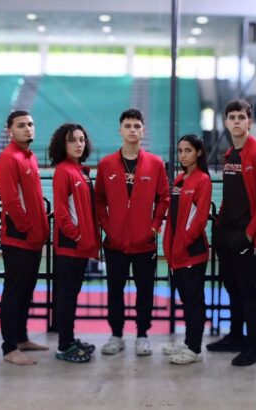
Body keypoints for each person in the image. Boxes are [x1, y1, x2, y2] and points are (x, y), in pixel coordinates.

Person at [207, 99, 256, 367]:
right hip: (227, 232)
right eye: (232, 117)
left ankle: (253, 345)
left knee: (247, 290)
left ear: (250, 121)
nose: (236, 121)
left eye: (241, 117)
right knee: (232, 287)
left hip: (245, 233)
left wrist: (250, 233)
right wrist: (221, 228)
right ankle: (236, 336)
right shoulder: (230, 156)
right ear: (226, 123)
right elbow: (230, 195)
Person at [95, 109, 169, 356]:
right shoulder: (106, 164)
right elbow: (98, 200)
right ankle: (116, 335)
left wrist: (154, 225)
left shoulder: (156, 163)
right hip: (114, 242)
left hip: (144, 242)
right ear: (120, 130)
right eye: (128, 126)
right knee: (114, 290)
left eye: (137, 125)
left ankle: (142, 335)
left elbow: (164, 198)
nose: (132, 130)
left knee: (144, 291)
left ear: (143, 130)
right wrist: (107, 225)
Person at [0, 111, 50, 366]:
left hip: (33, 238)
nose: (28, 128)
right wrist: (28, 229)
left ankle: (21, 337)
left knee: (26, 291)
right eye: (21, 125)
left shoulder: (29, 157)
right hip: (19, 239)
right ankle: (9, 347)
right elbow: (11, 201)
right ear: (10, 131)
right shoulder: (9, 158)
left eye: (30, 124)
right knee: (14, 292)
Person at [50, 123, 100, 363]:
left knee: (72, 295)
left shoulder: (80, 170)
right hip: (70, 246)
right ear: (63, 143)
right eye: (73, 140)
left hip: (80, 248)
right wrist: (78, 236)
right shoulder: (63, 171)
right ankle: (64, 345)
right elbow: (61, 212)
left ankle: (69, 339)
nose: (79, 144)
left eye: (81, 139)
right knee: (67, 296)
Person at [162, 134, 212, 365]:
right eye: (180, 150)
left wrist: (182, 245)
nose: (183, 155)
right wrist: (171, 248)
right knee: (187, 301)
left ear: (199, 153)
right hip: (177, 254)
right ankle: (189, 342)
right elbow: (173, 218)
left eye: (188, 150)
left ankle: (195, 349)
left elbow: (199, 220)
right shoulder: (179, 180)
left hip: (192, 252)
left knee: (194, 301)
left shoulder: (203, 180)